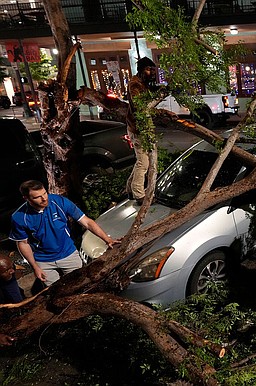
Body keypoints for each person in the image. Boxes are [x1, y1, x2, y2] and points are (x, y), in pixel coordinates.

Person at [9, 180, 121, 287]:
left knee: (79, 284)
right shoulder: (19, 217)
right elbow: (23, 243)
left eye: (45, 193)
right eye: (38, 197)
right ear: (26, 198)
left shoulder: (60, 202)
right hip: (43, 260)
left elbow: (87, 222)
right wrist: (34, 267)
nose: (44, 198)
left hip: (68, 253)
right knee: (54, 291)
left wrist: (107, 240)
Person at [126, 56, 158, 205]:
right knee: (144, 162)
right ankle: (139, 194)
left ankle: (130, 189)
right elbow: (140, 107)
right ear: (140, 70)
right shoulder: (135, 85)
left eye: (152, 70)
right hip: (139, 128)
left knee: (141, 160)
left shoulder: (141, 83)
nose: (151, 73)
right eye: (148, 69)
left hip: (141, 126)